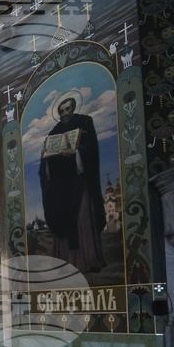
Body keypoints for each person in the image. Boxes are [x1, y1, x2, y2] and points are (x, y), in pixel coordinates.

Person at [38, 96, 106, 273]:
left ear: (73, 108)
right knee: (64, 219)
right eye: (61, 111)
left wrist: (76, 153)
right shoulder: (54, 132)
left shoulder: (85, 122)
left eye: (67, 109)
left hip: (80, 181)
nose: (64, 114)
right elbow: (47, 166)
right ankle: (66, 263)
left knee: (82, 219)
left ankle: (87, 261)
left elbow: (91, 149)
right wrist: (44, 157)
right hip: (60, 187)